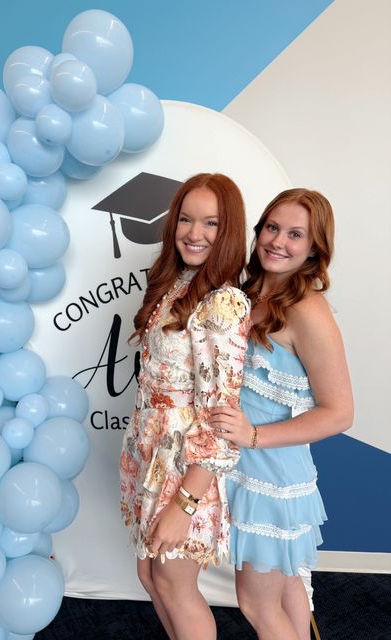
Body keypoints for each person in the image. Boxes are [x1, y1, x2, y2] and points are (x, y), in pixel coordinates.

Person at [210, 188, 354, 640]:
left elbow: (339, 413)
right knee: (287, 587)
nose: (278, 241)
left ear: (314, 249)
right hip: (244, 468)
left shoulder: (307, 310)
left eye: (295, 234)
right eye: (273, 228)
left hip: (271, 478)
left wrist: (253, 436)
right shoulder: (248, 293)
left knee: (257, 604)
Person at [120, 173, 250, 640]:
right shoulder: (175, 281)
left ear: (229, 231)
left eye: (211, 223)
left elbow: (221, 421)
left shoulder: (223, 303)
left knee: (175, 585)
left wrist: (185, 504)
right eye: (186, 220)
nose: (195, 234)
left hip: (185, 467)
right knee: (150, 577)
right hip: (152, 452)